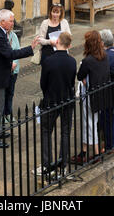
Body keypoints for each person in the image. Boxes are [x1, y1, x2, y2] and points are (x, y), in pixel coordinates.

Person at [0, 9, 39, 148]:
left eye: (13, 20)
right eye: (11, 21)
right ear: (2, 22)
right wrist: (30, 48)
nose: (13, 23)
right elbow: (9, 53)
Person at [35, 32, 76, 177]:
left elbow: (43, 83)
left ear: (57, 41)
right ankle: (62, 164)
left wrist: (48, 93)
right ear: (69, 45)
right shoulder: (72, 61)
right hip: (67, 100)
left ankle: (47, 165)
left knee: (46, 132)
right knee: (65, 132)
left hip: (50, 101)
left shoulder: (48, 61)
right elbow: (71, 82)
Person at [71, 30, 110, 165]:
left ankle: (96, 153)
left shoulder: (87, 61)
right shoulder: (105, 56)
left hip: (91, 96)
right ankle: (84, 151)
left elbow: (79, 76)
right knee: (91, 122)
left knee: (90, 123)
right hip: (102, 95)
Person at [99, 29, 114, 152]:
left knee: (108, 120)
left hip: (109, 94)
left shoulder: (107, 56)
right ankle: (113, 143)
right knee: (112, 119)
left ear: (102, 43)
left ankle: (109, 145)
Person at [3, 27, 20, 125]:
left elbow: (17, 51)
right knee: (2, 94)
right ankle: (1, 115)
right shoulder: (0, 36)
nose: (11, 24)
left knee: (10, 92)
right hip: (4, 70)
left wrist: (14, 63)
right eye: (10, 21)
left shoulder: (14, 36)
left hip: (13, 70)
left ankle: (8, 113)